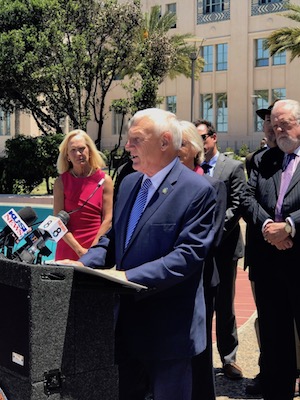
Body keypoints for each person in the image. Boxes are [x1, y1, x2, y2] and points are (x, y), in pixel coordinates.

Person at [58, 108, 217, 400]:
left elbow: (187, 256)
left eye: (136, 140)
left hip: (170, 332)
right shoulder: (130, 183)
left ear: (165, 141)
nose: (128, 146)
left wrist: (126, 276)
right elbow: (113, 240)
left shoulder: (198, 190)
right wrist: (78, 266)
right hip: (126, 328)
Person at [241, 99, 300, 400]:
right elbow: (247, 198)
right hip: (269, 265)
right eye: (274, 125)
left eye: (284, 124)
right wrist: (268, 227)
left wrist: (289, 225)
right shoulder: (265, 159)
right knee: (275, 342)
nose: (277, 130)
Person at [194, 119, 246, 380]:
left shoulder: (233, 167)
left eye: (203, 137)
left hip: (225, 248)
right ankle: (200, 358)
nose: (199, 143)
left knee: (225, 304)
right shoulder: (192, 169)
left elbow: (237, 205)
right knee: (201, 304)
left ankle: (228, 358)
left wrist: (212, 232)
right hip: (198, 250)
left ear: (214, 138)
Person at [178, 120, 226, 400]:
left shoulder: (213, 185)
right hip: (170, 280)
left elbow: (211, 239)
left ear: (195, 149)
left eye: (181, 143)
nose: (173, 148)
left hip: (201, 280)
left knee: (199, 348)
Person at [244, 100, 279, 396]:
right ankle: (269, 373)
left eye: (275, 119)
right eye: (266, 120)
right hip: (263, 253)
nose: (269, 125)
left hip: (292, 251)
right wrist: (268, 226)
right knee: (267, 321)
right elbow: (247, 200)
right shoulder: (255, 160)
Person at [53, 129, 113, 261]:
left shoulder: (105, 180)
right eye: (73, 150)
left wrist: (92, 250)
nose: (78, 154)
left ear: (90, 151)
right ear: (67, 156)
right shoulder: (60, 182)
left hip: (95, 248)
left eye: (81, 148)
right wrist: (78, 249)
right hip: (67, 248)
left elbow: (108, 220)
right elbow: (57, 222)